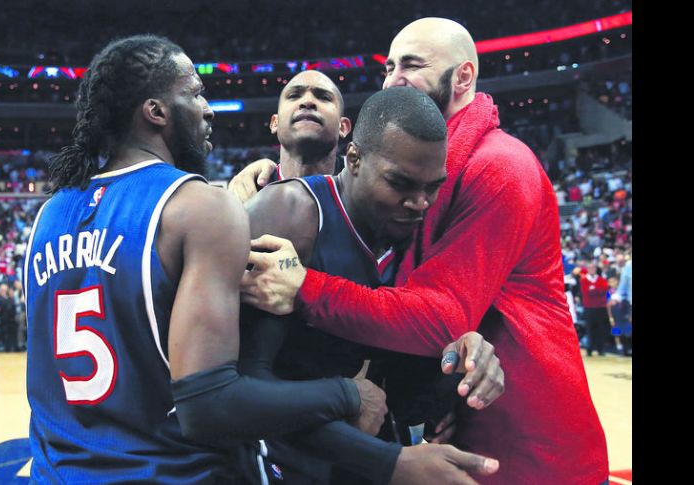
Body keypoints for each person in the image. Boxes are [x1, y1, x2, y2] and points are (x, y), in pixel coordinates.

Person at [233, 17, 609, 485]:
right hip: (443, 427)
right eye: (389, 67)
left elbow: (440, 318)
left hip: (527, 438)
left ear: (464, 77)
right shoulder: (379, 191)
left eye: (411, 64)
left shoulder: (500, 166)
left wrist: (303, 287)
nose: (393, 79)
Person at [24, 35, 393, 484]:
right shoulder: (196, 206)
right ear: (156, 112)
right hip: (169, 471)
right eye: (197, 94)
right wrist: (347, 395)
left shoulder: (49, 213)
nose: (209, 109)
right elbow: (211, 405)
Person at [241, 87, 503, 484]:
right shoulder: (290, 213)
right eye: (400, 184)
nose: (419, 202)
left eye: (432, 187)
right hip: (284, 467)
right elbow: (235, 389)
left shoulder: (419, 231)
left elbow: (400, 354)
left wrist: (464, 353)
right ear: (355, 159)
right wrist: (368, 434)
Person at [227, 69, 350, 204]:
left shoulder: (363, 186)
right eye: (294, 95)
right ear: (275, 123)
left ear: (343, 127)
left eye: (323, 97)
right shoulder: (250, 192)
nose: (307, 101)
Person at [578, 262, 611, 356]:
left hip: (601, 307)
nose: (592, 270)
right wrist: (597, 290)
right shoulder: (584, 280)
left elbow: (604, 289)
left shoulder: (601, 279)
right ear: (587, 269)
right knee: (590, 329)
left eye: (593, 268)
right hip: (589, 307)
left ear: (596, 269)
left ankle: (600, 349)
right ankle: (590, 349)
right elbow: (585, 292)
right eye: (590, 268)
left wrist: (593, 290)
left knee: (601, 329)